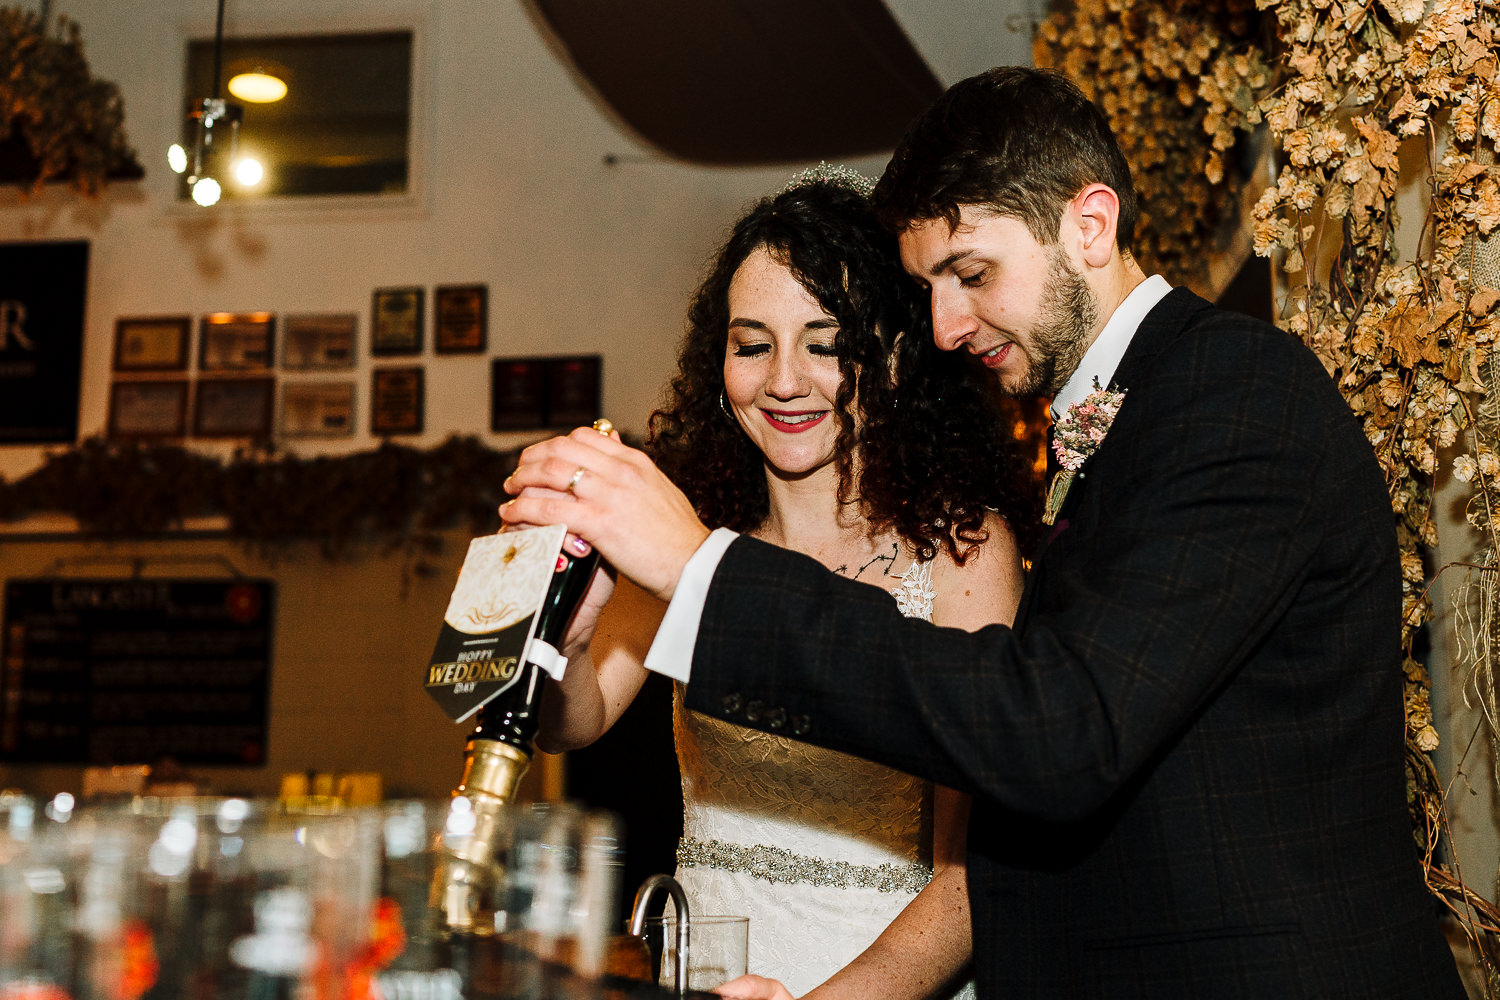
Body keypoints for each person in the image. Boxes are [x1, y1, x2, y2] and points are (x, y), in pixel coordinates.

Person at [502, 67, 1466, 998]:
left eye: (970, 274)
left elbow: (1060, 730)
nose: (947, 326)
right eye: (929, 290)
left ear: (1091, 224)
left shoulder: (1233, 395)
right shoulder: (1124, 420)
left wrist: (702, 571)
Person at [534, 171, 1034, 999]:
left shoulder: (963, 550)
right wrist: (572, 639)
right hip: (707, 972)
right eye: (753, 343)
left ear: (894, 353)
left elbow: (970, 877)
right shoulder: (689, 536)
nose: (785, 381)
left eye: (826, 342)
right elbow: (569, 727)